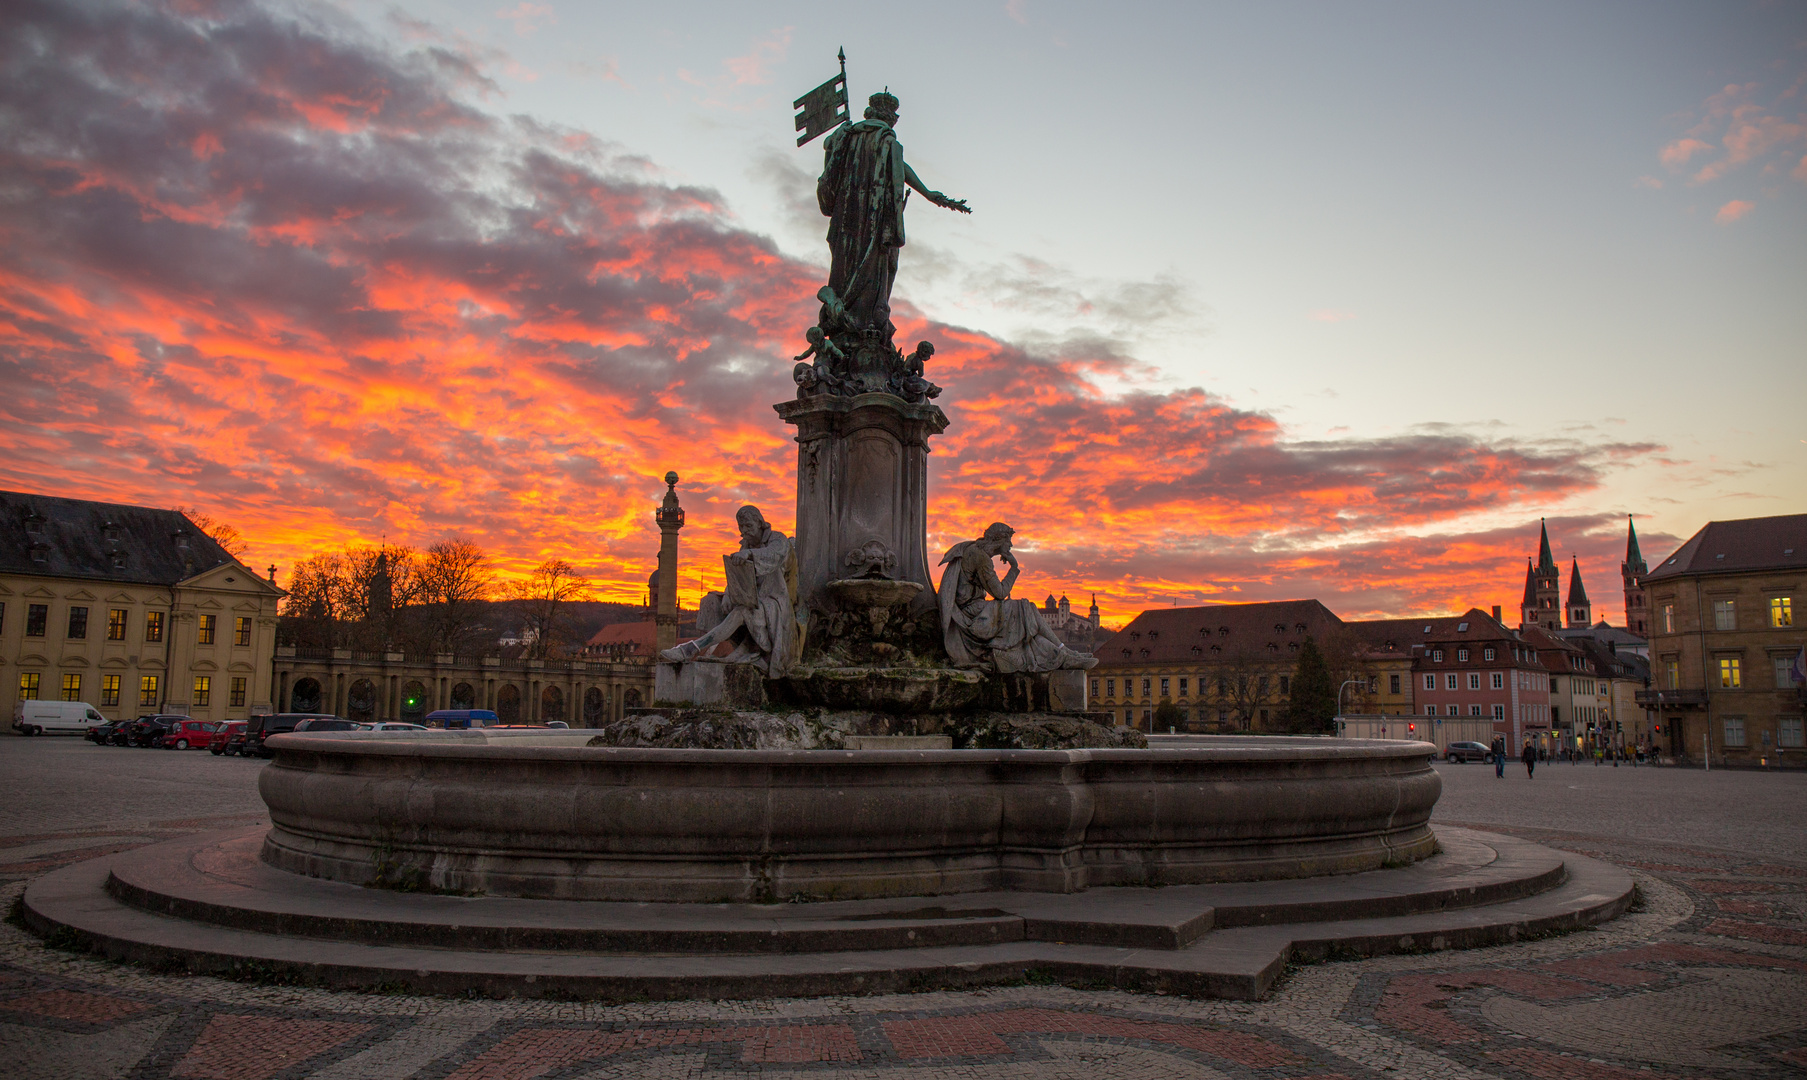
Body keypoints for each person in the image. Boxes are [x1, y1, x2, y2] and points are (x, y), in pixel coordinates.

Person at [658, 506, 801, 676]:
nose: (744, 531)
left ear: (760, 523)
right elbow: (740, 576)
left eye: (748, 526)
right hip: (753, 601)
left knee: (743, 611)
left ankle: (691, 648)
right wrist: (727, 594)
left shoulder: (778, 540)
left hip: (775, 604)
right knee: (710, 602)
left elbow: (773, 555)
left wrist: (749, 554)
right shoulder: (746, 545)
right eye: (741, 527)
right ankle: (734, 648)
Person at [938, 522, 1097, 673]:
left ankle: (1065, 654)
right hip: (972, 615)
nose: (1011, 546)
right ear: (999, 540)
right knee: (1025, 609)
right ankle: (1065, 654)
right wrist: (1014, 568)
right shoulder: (981, 558)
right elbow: (1000, 593)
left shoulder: (974, 550)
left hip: (976, 610)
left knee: (1029, 614)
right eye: (1009, 541)